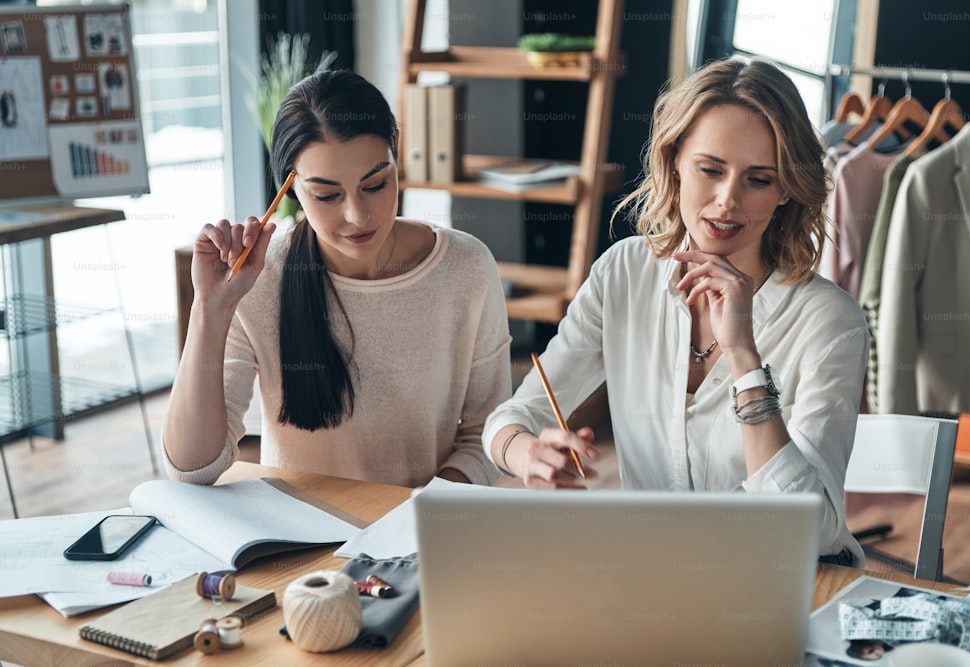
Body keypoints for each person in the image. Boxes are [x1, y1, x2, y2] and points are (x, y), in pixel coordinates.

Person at [483, 57, 868, 565]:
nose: (727, 200)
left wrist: (743, 357)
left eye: (758, 179)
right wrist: (526, 454)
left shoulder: (831, 322)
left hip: (779, 581)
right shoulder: (622, 273)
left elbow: (811, 530)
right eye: (710, 169)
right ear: (674, 162)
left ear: (785, 192)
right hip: (653, 576)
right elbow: (511, 418)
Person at [164, 69, 512, 488]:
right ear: (290, 191)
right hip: (299, 541)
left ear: (397, 163)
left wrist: (421, 515)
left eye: (376, 183)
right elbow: (192, 468)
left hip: (420, 535)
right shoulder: (260, 278)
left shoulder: (465, 267)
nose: (358, 216)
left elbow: (484, 435)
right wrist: (210, 309)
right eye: (327, 195)